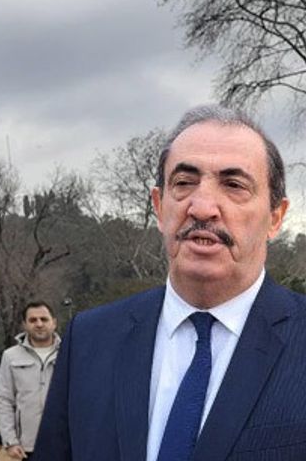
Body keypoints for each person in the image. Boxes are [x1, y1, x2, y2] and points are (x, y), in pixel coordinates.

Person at [34, 105, 306, 460]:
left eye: (234, 185)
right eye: (184, 183)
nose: (203, 207)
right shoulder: (89, 339)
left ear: (275, 217)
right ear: (160, 206)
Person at [0, 302, 60, 459]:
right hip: (28, 445)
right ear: (24, 324)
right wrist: (10, 441)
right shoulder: (10, 356)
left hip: (63, 441)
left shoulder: (69, 353)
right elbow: (4, 400)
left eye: (44, 319)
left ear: (54, 323)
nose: (39, 324)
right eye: (33, 320)